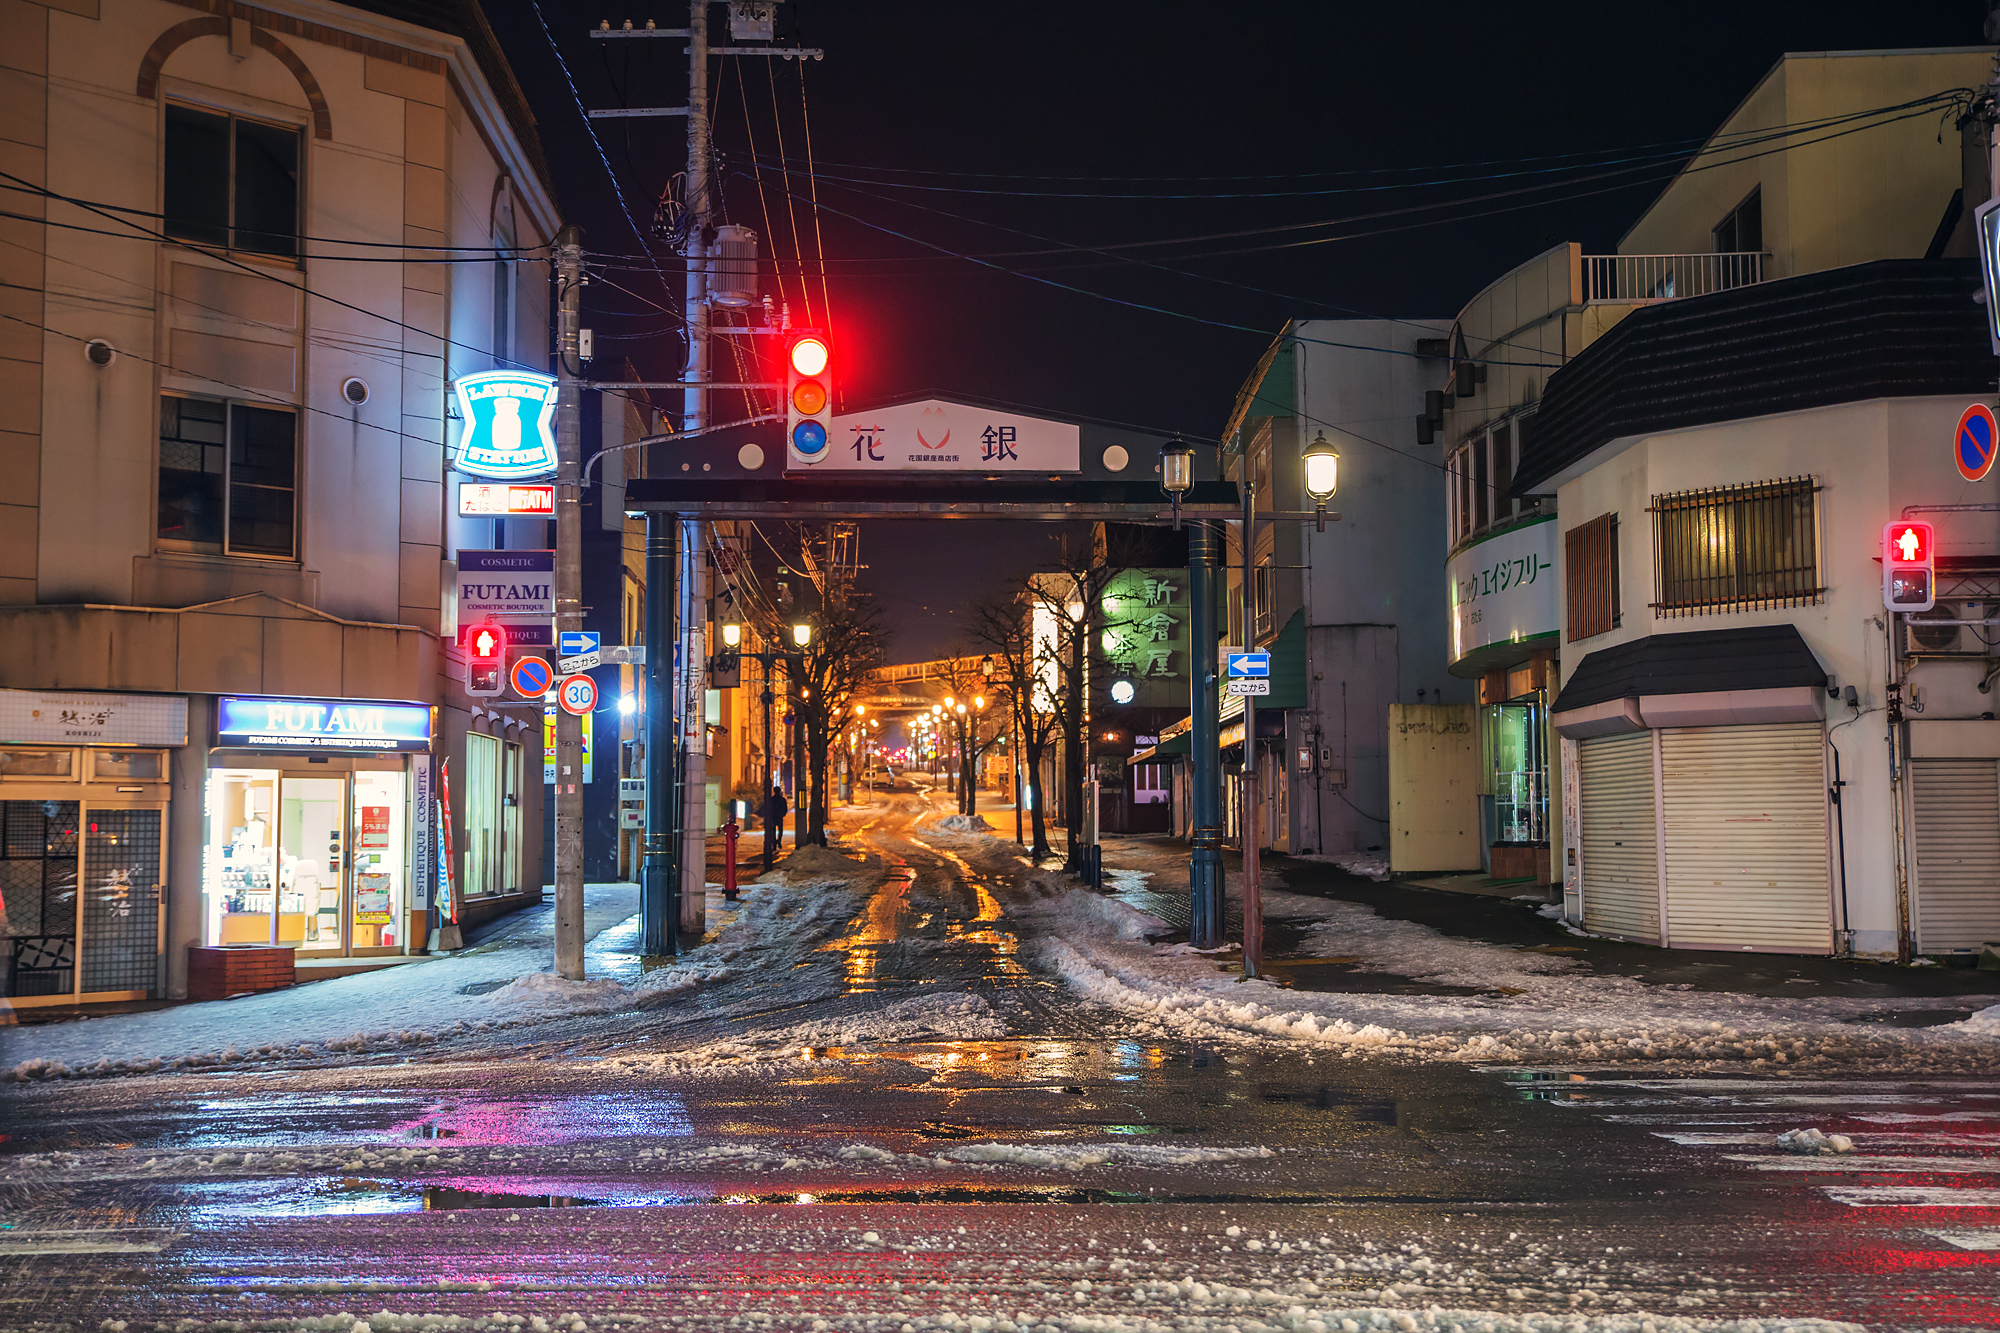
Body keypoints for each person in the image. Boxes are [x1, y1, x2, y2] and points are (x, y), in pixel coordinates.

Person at [760, 782, 788, 872]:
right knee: (780, 830)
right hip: (778, 817)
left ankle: (775, 843)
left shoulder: (771, 799)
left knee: (772, 831)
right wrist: (782, 814)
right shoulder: (782, 800)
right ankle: (778, 841)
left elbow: (767, 808)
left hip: (773, 817)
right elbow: (785, 808)